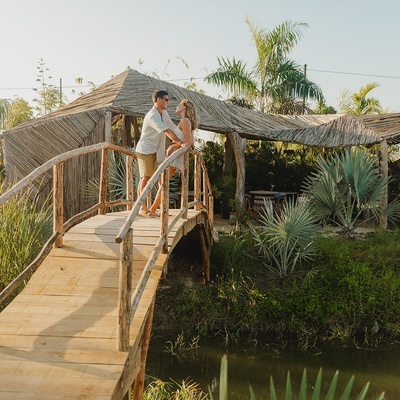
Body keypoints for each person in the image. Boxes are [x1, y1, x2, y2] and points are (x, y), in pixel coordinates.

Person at [135, 89, 183, 217]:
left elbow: (173, 127)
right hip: (145, 149)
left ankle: (155, 209)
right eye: (166, 100)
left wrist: (185, 137)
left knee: (153, 178)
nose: (168, 102)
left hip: (155, 150)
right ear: (159, 100)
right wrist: (179, 142)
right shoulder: (152, 115)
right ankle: (142, 208)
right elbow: (167, 131)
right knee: (145, 177)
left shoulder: (164, 113)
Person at [148, 98, 198, 215]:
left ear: (184, 107)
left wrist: (172, 147)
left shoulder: (185, 121)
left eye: (179, 104)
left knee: (163, 181)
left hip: (175, 156)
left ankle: (154, 209)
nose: (176, 106)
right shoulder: (184, 121)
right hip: (175, 156)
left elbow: (189, 143)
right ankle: (159, 209)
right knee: (162, 181)